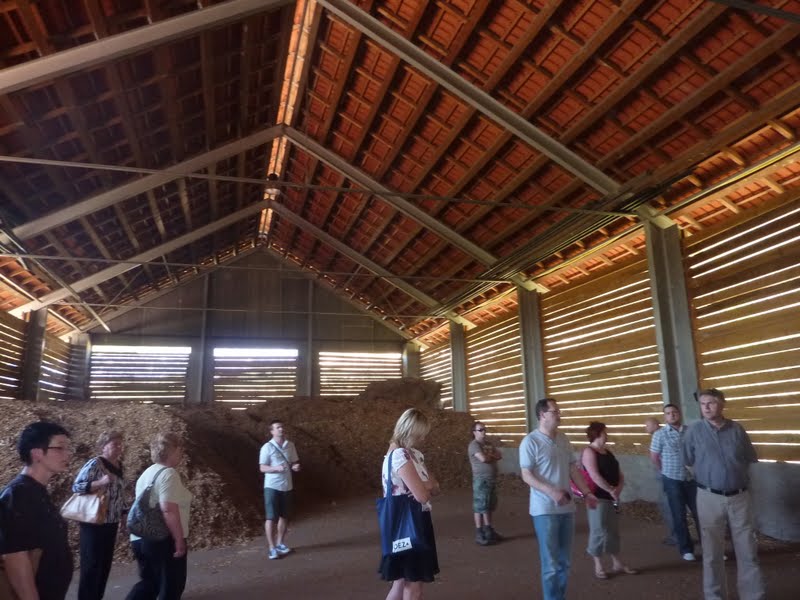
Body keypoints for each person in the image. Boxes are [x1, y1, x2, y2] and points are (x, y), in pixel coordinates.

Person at [683, 388, 766, 600]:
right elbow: (687, 460)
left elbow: (749, 458)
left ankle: (753, 595)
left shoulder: (737, 430)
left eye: (711, 403)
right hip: (708, 497)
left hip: (739, 497)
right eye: (703, 404)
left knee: (747, 550)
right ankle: (714, 596)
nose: (706, 407)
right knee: (712, 552)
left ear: (722, 404)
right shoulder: (693, 431)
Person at [519, 398, 598, 600]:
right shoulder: (530, 442)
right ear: (542, 415)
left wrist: (587, 493)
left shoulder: (563, 439)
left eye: (559, 411)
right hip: (544, 509)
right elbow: (526, 475)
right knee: (551, 565)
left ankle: (558, 597)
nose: (559, 415)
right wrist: (551, 491)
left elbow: (573, 469)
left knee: (565, 562)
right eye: (555, 411)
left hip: (567, 508)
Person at [0, 421, 74, 600]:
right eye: (60, 448)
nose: (68, 454)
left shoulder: (36, 491)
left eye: (68, 448)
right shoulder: (19, 494)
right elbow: (15, 556)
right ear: (37, 453)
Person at [379, 408, 440, 600]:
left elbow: (435, 487)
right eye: (419, 435)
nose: (423, 439)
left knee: (400, 584)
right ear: (408, 432)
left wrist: (426, 486)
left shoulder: (414, 454)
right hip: (412, 522)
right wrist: (427, 486)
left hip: (402, 522)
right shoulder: (400, 456)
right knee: (413, 587)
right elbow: (423, 496)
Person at [126, 432, 192, 600]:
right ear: (172, 450)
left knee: (150, 584)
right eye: (180, 449)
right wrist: (179, 540)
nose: (182, 453)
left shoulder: (147, 473)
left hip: (140, 538)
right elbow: (168, 509)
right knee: (171, 586)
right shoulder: (169, 474)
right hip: (162, 540)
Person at [72, 430, 127, 600]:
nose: (119, 447)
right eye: (115, 444)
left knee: (104, 565)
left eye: (120, 444)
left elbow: (120, 493)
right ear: (103, 446)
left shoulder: (119, 465)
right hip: (93, 522)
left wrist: (123, 515)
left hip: (111, 522)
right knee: (91, 565)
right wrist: (100, 482)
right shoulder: (95, 464)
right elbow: (77, 487)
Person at [581, 421, 638, 579]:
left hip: (611, 496)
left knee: (612, 530)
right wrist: (611, 490)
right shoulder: (589, 452)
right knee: (598, 530)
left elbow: (619, 472)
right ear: (598, 434)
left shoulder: (607, 452)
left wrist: (619, 487)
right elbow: (594, 475)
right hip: (597, 497)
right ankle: (598, 565)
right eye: (605, 432)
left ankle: (617, 563)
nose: (607, 434)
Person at [650, 404, 700, 562]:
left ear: (679, 414)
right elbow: (654, 456)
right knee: (679, 515)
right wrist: (664, 471)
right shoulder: (660, 434)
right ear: (665, 417)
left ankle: (710, 547)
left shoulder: (690, 431)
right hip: (672, 479)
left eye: (674, 412)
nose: (672, 415)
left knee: (700, 514)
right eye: (668, 413)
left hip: (692, 479)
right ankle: (686, 549)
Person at [259, 420, 300, 560]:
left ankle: (280, 543)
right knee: (271, 517)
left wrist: (295, 467)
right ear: (272, 431)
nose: (281, 429)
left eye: (282, 427)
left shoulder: (290, 445)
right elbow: (262, 467)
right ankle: (272, 548)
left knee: (284, 516)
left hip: (287, 486)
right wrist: (275, 468)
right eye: (278, 427)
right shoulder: (267, 447)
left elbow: (294, 462)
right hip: (272, 486)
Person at [468, 421, 503, 545]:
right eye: (480, 430)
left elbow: (499, 455)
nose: (483, 432)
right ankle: (479, 532)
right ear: (474, 432)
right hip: (481, 480)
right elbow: (483, 459)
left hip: (491, 479)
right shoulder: (474, 445)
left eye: (484, 429)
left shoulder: (488, 444)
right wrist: (491, 456)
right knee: (479, 506)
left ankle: (488, 530)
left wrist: (489, 455)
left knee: (488, 505)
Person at [644, 417, 676, 545]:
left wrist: (662, 470)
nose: (645, 428)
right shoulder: (664, 435)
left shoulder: (658, 436)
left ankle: (675, 536)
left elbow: (655, 458)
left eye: (647, 425)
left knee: (668, 507)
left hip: (665, 477)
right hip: (668, 476)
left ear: (655, 425)